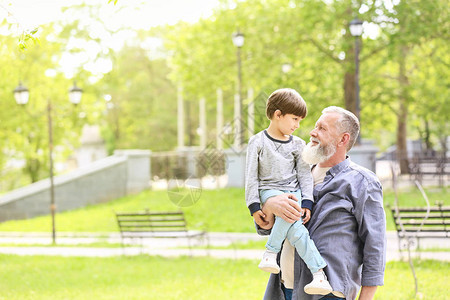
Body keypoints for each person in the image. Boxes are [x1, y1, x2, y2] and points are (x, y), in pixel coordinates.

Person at [258, 106, 386, 300]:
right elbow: (266, 226)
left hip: (328, 294)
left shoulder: (362, 182)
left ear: (343, 139)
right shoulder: (295, 174)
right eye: (315, 126)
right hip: (282, 289)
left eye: (322, 129)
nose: (312, 132)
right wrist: (269, 206)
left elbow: (375, 247)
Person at [245, 88, 332, 296]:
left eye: (300, 121)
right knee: (290, 216)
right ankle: (318, 272)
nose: (297, 125)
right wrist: (254, 206)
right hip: (268, 191)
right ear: (277, 115)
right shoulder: (257, 142)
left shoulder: (298, 145)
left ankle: (271, 253)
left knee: (296, 228)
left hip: (294, 193)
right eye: (294, 119)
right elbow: (251, 178)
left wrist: (307, 202)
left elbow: (304, 177)